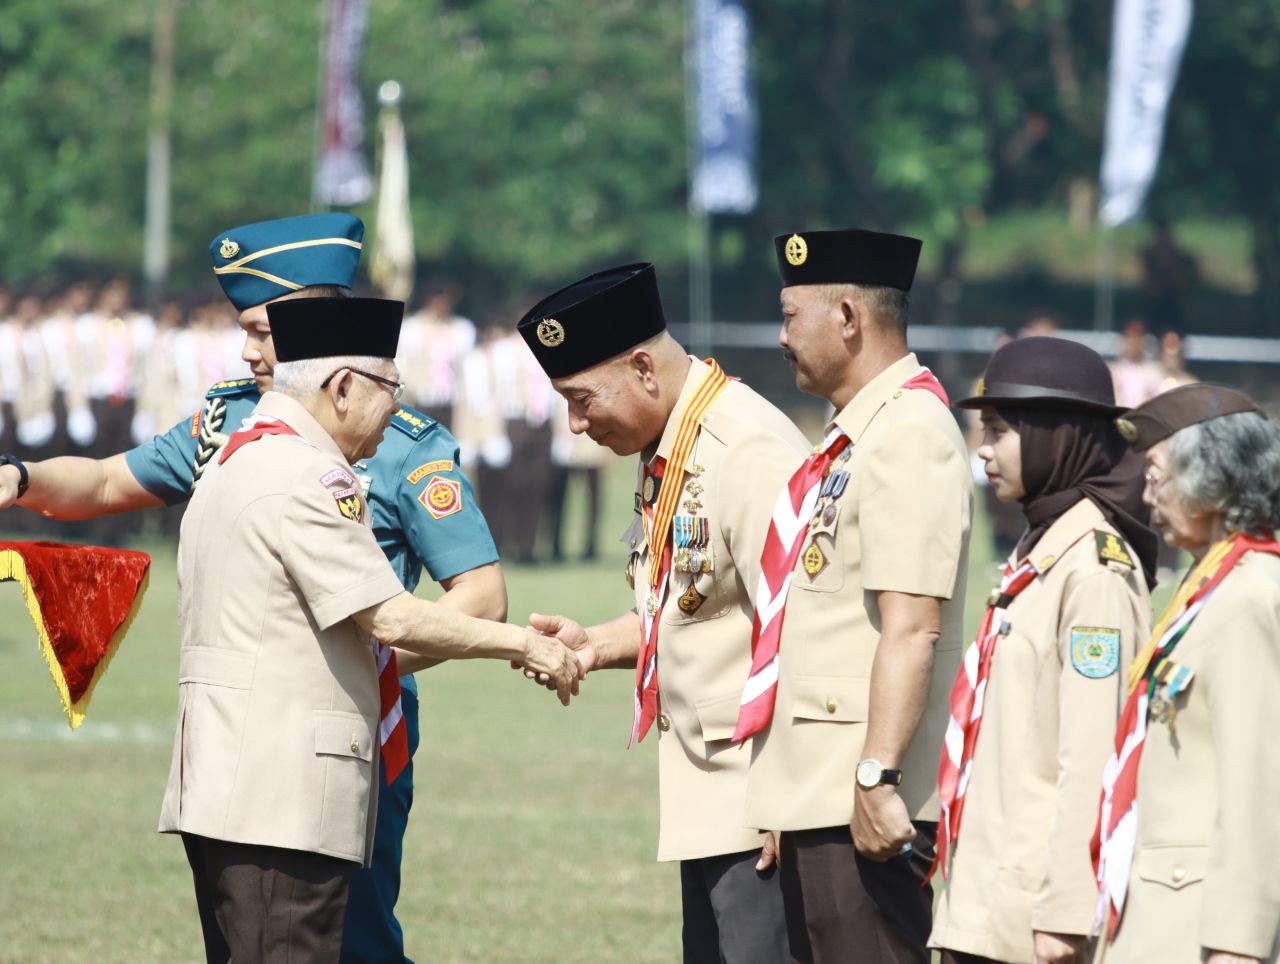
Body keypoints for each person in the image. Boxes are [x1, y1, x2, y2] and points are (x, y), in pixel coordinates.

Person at [0, 213, 506, 963]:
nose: (248, 351)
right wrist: (19, 478)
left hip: (350, 728)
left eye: (263, 332)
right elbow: (107, 481)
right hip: (237, 734)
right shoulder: (231, 417)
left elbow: (482, 596)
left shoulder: (400, 442)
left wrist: (360, 660)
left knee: (351, 937)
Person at [163, 295, 580, 962]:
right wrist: (525, 643)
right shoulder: (306, 475)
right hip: (281, 796)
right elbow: (390, 615)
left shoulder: (234, 456)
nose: (396, 410)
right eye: (390, 388)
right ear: (342, 387)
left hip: (224, 785)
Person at [519, 263, 806, 963]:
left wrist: (791, 797)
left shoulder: (745, 448)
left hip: (758, 804)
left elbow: (805, 627)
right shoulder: (677, 446)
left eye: (582, 399)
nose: (576, 423)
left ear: (644, 369)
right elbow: (691, 607)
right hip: (711, 801)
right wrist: (597, 645)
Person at [738, 228, 972, 964]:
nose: (781, 337)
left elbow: (912, 628)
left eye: (789, 316)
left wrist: (876, 778)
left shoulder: (909, 432)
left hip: (863, 802)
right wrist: (792, 791)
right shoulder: (856, 434)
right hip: (824, 794)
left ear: (848, 316)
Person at [929, 337, 1157, 964]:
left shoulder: (1095, 573)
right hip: (985, 901)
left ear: (1054, 435)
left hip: (1030, 920)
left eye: (999, 431)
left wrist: (1065, 915)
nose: (983, 449)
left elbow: (1092, 755)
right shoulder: (1045, 547)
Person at [1094, 383, 1280, 964]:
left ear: (1211, 478)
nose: (1147, 493)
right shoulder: (1210, 584)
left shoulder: (1250, 596)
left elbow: (1257, 786)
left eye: (1157, 474)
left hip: (1199, 931)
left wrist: (1237, 945)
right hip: (1158, 917)